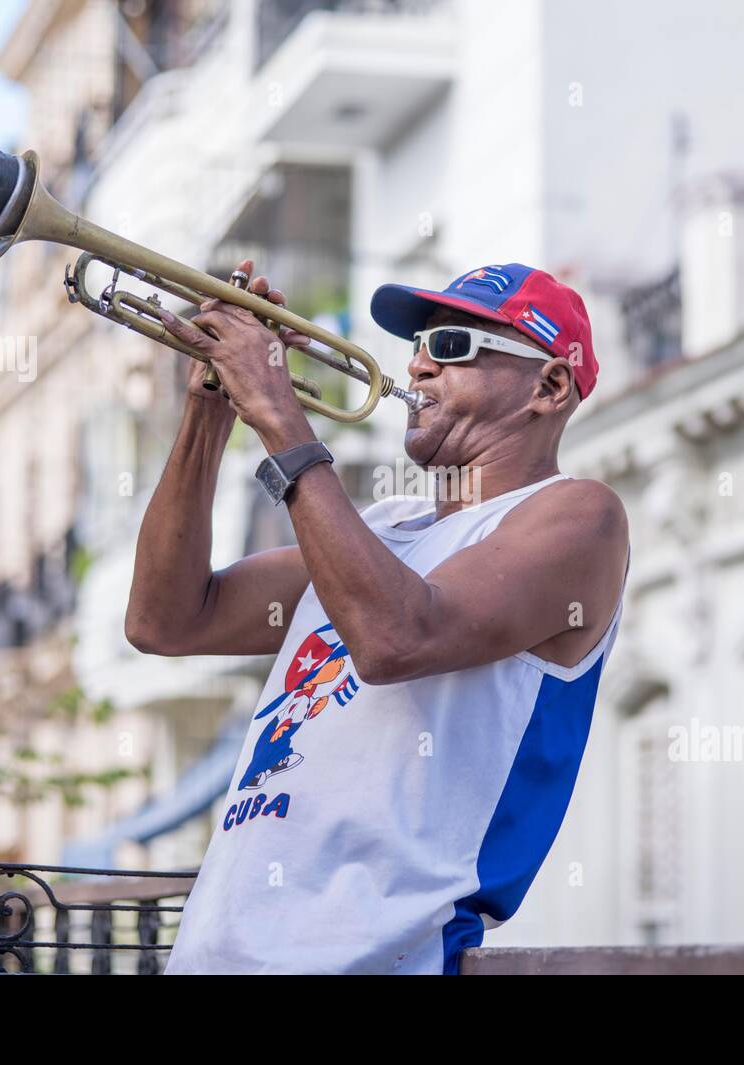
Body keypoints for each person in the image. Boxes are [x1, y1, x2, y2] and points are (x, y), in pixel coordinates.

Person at [127, 259, 630, 974]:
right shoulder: (385, 526)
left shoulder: (579, 516)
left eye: (452, 346)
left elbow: (396, 637)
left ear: (548, 386)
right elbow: (166, 619)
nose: (419, 366)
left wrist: (275, 405)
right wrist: (209, 411)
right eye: (418, 345)